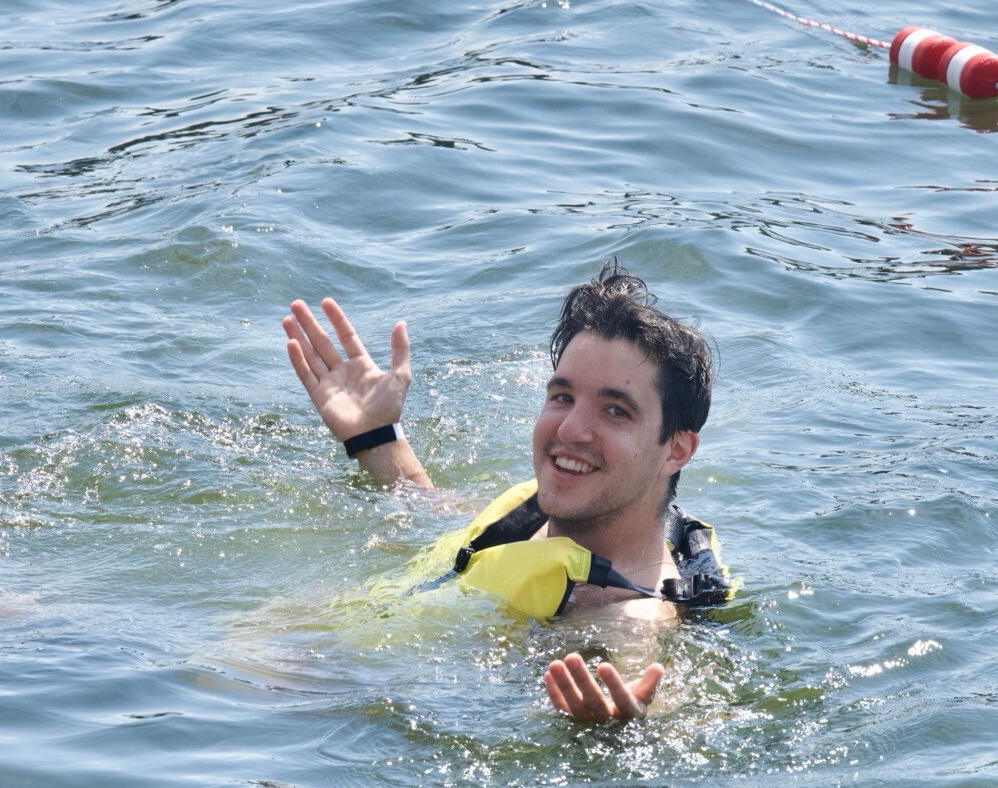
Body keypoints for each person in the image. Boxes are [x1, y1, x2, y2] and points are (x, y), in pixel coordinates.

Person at [282, 264, 729, 723]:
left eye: (615, 410)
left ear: (676, 450)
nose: (570, 429)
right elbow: (428, 510)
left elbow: (661, 700)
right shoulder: (537, 509)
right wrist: (376, 438)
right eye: (562, 397)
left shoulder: (626, 618)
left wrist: (617, 734)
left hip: (317, 702)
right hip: (307, 644)